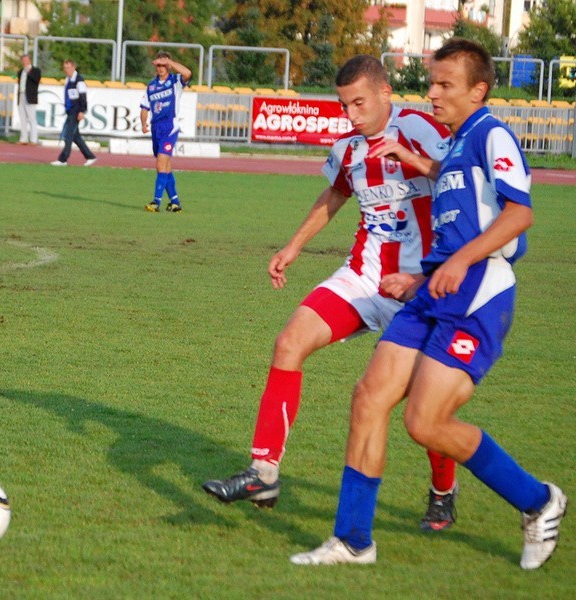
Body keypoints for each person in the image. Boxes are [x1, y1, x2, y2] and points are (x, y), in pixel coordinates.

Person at [290, 39, 567, 570]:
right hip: (433, 289)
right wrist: (423, 268)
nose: (432, 92)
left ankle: (539, 501)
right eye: (432, 81)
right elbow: (461, 201)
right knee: (369, 396)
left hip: (479, 293)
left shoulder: (491, 134)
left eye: (445, 84)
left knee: (425, 423)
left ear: (478, 91)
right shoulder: (459, 144)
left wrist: (460, 262)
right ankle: (352, 540)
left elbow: (518, 214)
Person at [203, 55, 461, 532]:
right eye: (344, 106)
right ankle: (263, 472)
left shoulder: (422, 129)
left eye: (359, 103)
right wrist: (292, 247)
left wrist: (412, 160)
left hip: (420, 285)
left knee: (427, 399)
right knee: (289, 342)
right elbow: (335, 196)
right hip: (363, 276)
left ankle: (443, 490)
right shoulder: (348, 149)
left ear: (386, 94)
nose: (351, 115)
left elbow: (461, 179)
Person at [141, 51, 192, 213]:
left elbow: (187, 73)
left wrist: (171, 62)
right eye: (158, 65)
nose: (161, 68)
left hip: (170, 127)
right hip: (156, 128)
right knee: (166, 167)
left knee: (160, 163)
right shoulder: (151, 86)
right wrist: (144, 123)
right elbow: (144, 107)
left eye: (164, 65)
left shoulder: (175, 81)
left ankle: (156, 202)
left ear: (168, 66)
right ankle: (175, 202)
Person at [50, 59, 97, 167]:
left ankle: (63, 159)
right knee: (76, 137)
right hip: (70, 110)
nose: (66, 70)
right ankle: (90, 156)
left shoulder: (79, 80)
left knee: (68, 135)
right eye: (65, 68)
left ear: (73, 67)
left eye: (68, 67)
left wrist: (82, 111)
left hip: (76, 111)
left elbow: (83, 97)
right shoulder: (68, 79)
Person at [17, 54, 41, 145]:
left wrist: (29, 72)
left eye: (26, 60)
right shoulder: (20, 71)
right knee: (22, 118)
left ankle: (34, 139)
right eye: (23, 60)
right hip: (22, 94)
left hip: (30, 96)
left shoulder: (35, 70)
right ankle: (23, 138)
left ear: (30, 60)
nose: (24, 62)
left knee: (31, 118)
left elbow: (36, 80)